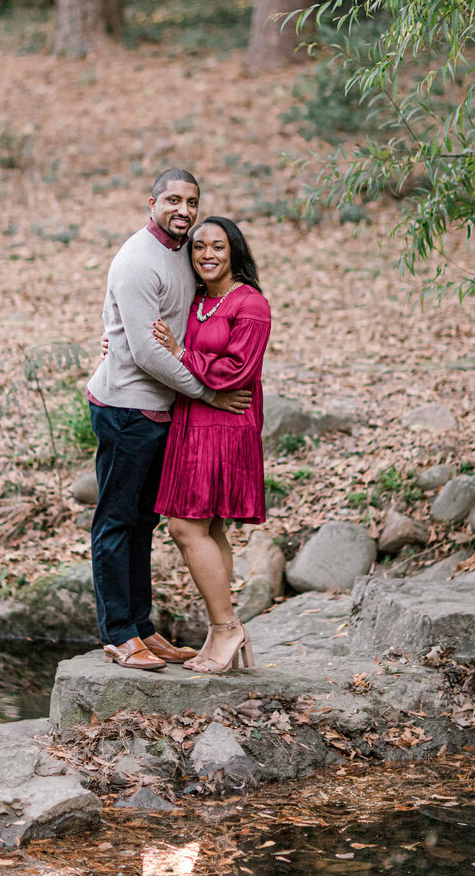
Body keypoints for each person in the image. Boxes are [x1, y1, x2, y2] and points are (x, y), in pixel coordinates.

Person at [86, 171, 252, 672]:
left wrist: (112, 332)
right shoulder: (139, 259)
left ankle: (142, 628)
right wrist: (209, 394)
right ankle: (118, 634)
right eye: (173, 200)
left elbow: (134, 319)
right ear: (151, 202)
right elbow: (146, 354)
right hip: (127, 408)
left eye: (192, 202)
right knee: (116, 520)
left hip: (163, 409)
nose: (183, 209)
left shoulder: (183, 250)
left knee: (142, 522)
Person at [151, 216, 271, 675]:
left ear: (234, 251)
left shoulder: (251, 304)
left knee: (185, 527)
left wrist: (183, 354)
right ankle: (222, 628)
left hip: (224, 422)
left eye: (217, 247)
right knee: (210, 528)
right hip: (194, 418)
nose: (206, 255)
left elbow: (238, 372)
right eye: (198, 247)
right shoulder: (199, 300)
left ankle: (226, 628)